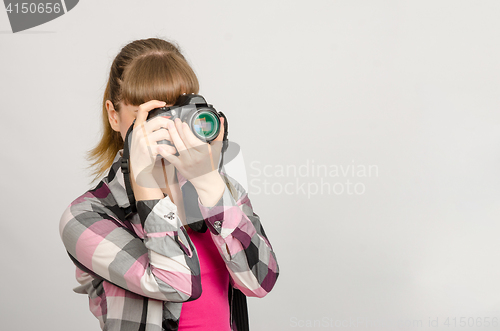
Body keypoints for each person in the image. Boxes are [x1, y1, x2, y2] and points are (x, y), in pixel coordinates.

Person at [59, 38, 279, 331]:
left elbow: (260, 282)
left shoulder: (215, 185)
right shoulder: (86, 216)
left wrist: (208, 183)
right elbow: (177, 285)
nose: (167, 126)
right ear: (114, 115)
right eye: (151, 114)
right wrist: (145, 181)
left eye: (178, 110)